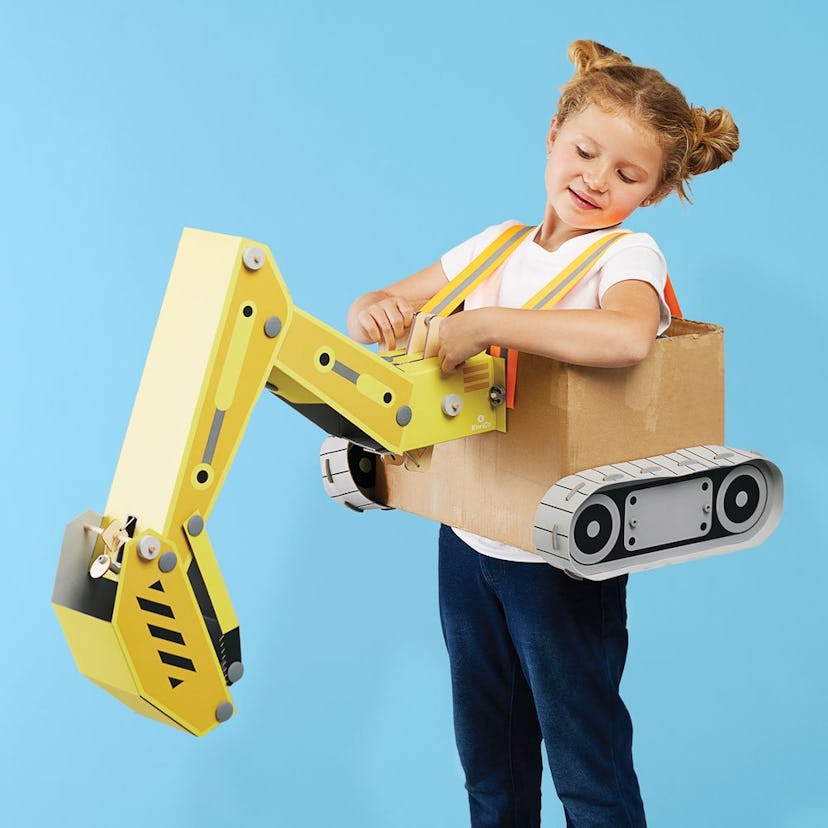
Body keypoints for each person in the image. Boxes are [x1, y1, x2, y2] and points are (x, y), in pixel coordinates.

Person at [347, 40, 739, 828]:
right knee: (488, 757)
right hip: (469, 537)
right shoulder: (491, 247)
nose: (596, 179)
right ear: (553, 134)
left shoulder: (626, 254)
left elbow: (629, 339)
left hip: (561, 554)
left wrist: (486, 322)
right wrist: (374, 310)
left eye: (627, 175)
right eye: (585, 151)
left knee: (583, 756)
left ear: (654, 194)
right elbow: (381, 301)